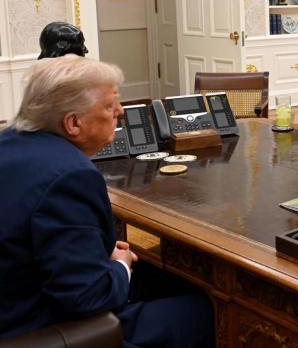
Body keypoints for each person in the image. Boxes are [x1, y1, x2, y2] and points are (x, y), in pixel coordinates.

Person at [0, 56, 213, 346]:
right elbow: (89, 297)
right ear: (73, 123)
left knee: (166, 280)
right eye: (110, 105)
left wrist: (95, 252)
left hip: (18, 295)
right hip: (46, 328)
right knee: (206, 310)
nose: (121, 112)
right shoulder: (70, 176)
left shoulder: (9, 142)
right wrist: (120, 265)